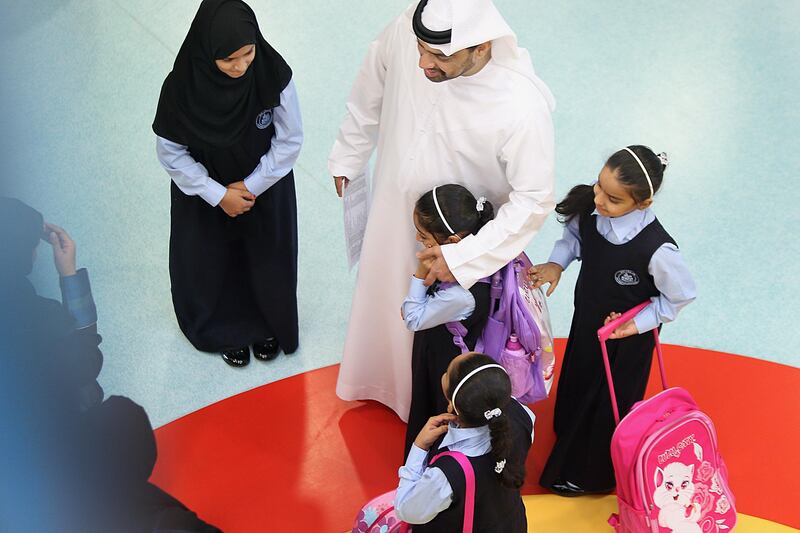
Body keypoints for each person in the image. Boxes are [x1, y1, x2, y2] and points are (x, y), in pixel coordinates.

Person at [329, 0, 555, 420]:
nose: (423, 64)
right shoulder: (407, 31)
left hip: (460, 244)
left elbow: (534, 198)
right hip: (393, 216)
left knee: (440, 338)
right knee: (385, 294)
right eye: (420, 49)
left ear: (481, 48)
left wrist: (462, 257)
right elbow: (370, 86)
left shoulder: (520, 106)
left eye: (439, 57)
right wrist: (350, 151)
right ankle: (381, 383)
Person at [0, 197, 221, 532]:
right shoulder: (40, 318)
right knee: (122, 421)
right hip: (52, 449)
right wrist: (70, 276)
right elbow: (86, 361)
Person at [530, 146, 697, 495]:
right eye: (599, 188)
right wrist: (556, 264)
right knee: (578, 379)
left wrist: (635, 323)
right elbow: (572, 240)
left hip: (625, 343)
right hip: (587, 322)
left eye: (613, 198)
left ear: (642, 204)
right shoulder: (591, 212)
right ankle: (568, 434)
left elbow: (680, 296)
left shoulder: (657, 249)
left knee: (608, 403)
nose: (600, 200)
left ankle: (593, 475)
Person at [153, 0, 302, 367]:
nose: (240, 67)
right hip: (204, 194)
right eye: (228, 60)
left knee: (267, 255)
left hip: (264, 187)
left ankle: (268, 321)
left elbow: (290, 139)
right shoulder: (181, 89)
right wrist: (219, 195)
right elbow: (171, 153)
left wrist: (250, 186)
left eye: (247, 53)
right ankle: (222, 329)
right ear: (207, 55)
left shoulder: (271, 73)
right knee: (210, 260)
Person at [395, 352, 535, 532]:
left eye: (447, 371)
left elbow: (407, 510)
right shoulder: (523, 416)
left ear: (452, 406)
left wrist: (419, 447)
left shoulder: (447, 473)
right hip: (510, 523)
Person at [402, 184, 494, 456]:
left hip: (444, 356)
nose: (419, 240)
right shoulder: (483, 256)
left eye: (424, 236)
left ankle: (431, 457)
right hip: (454, 339)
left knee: (433, 402)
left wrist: (420, 273)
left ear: (452, 242)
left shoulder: (461, 295)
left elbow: (413, 318)